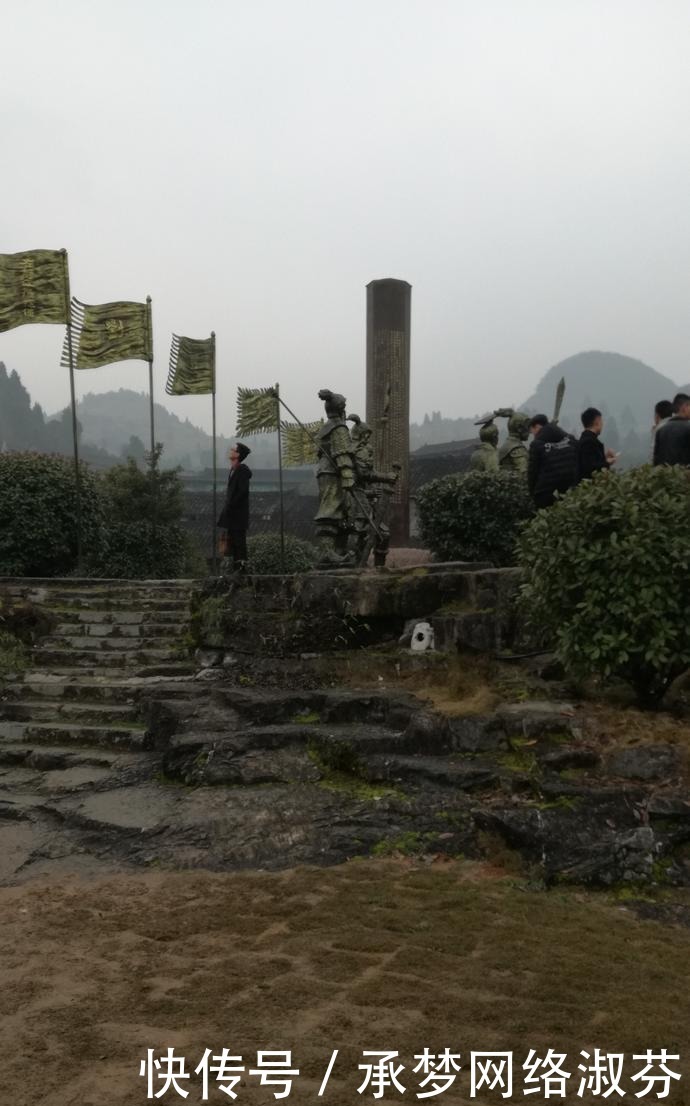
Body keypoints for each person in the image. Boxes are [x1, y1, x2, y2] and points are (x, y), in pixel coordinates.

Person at [527, 413, 579, 509]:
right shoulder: (570, 439)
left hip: (546, 491)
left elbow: (532, 472)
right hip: (571, 488)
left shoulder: (536, 445)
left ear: (537, 427)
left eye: (532, 431)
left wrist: (532, 493)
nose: (533, 435)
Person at [217, 442, 252, 572]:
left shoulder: (242, 471)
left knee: (239, 542)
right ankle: (236, 569)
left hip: (237, 515)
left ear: (238, 454)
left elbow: (242, 492)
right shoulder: (233, 470)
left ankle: (242, 570)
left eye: (233, 450)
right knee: (233, 543)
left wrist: (231, 505)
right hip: (232, 515)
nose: (230, 451)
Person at [578, 407, 617, 480]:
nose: (602, 424)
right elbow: (589, 468)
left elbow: (592, 460)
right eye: (601, 421)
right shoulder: (588, 442)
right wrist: (607, 463)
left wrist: (604, 457)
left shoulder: (586, 439)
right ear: (597, 421)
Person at [653, 393, 690, 466]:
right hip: (684, 475)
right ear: (684, 407)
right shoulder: (688, 428)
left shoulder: (661, 430)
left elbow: (656, 460)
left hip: (665, 475)